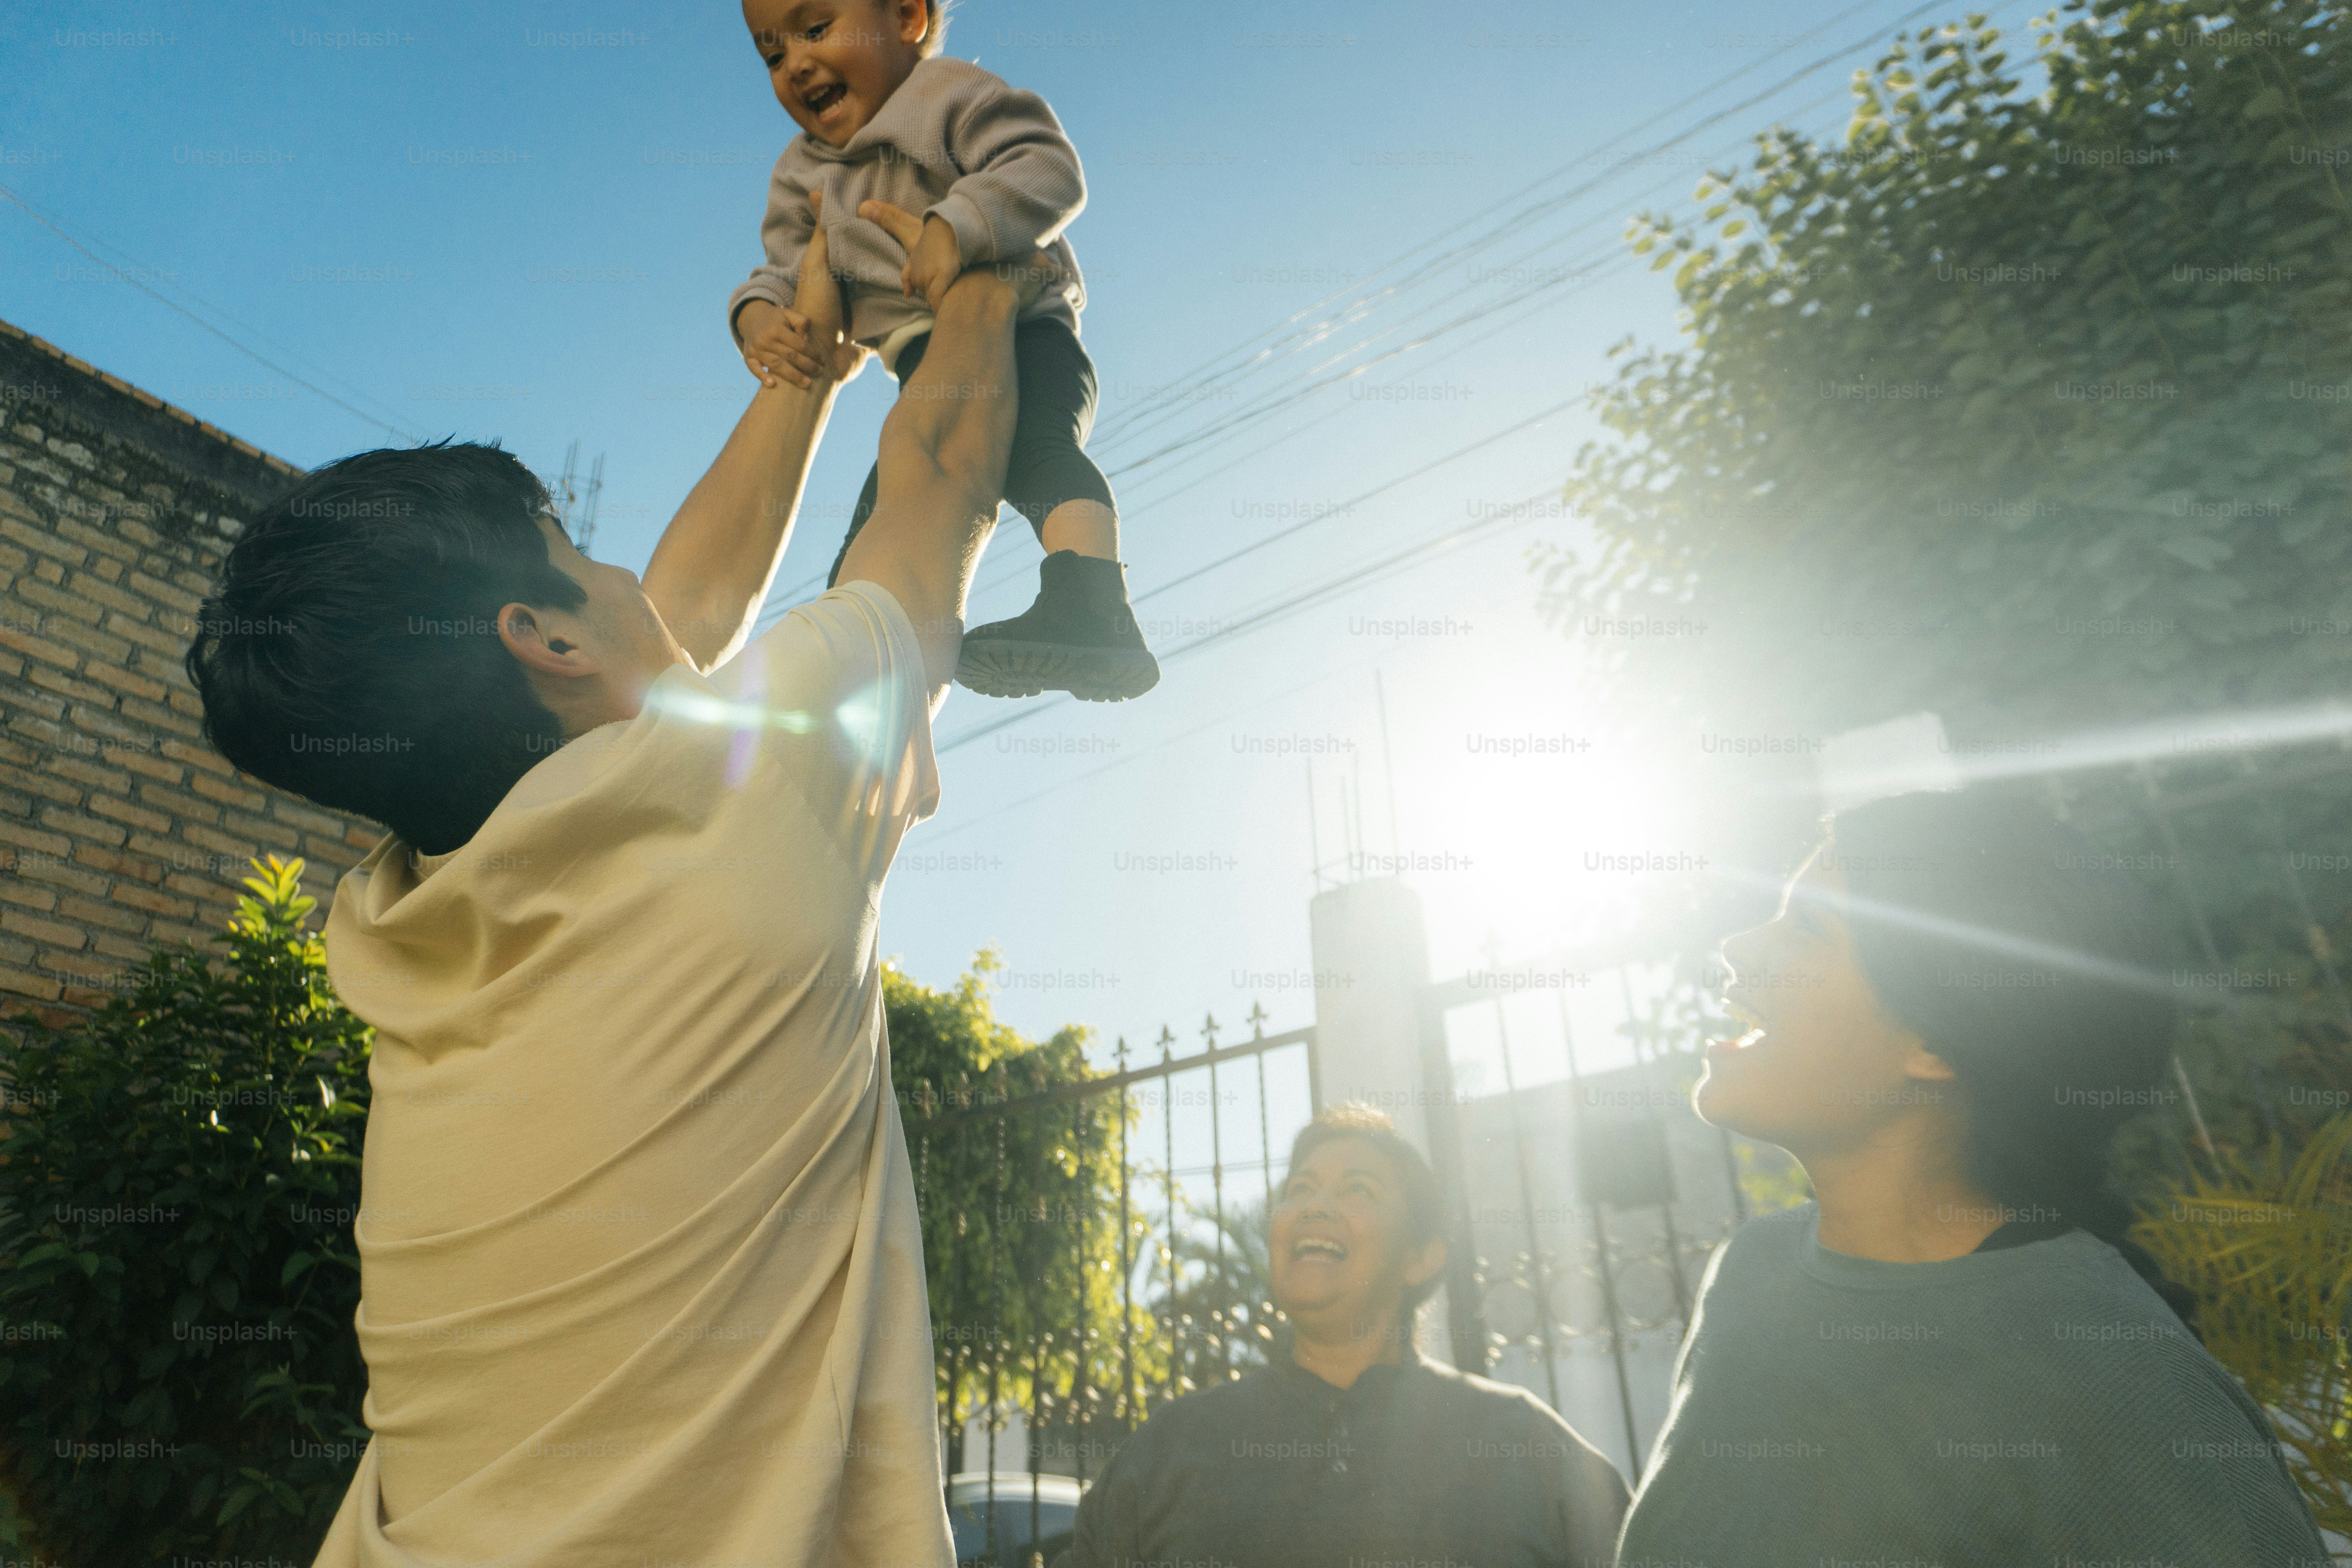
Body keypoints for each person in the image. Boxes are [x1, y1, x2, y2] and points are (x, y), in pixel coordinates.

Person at [186, 201, 1051, 1565]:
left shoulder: (407, 933)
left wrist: (803, 371)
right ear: (537, 634)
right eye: (574, 550)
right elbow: (942, 469)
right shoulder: (750, 804)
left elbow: (663, 631)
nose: (619, 569)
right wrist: (990, 274)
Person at [1616, 790, 2329, 1568]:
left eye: (1809, 927)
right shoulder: (1748, 1275)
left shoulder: (2121, 1385)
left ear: (1934, 1040)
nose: (1738, 946)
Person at [729, 0, 1159, 704]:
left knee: (1035, 449)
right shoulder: (801, 175)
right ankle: (854, 669)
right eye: (773, 54)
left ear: (906, 17)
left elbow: (1045, 166)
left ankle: (1092, 606)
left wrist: (957, 227)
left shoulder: (948, 96)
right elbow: (783, 266)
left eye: (816, 29)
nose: (796, 63)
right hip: (925, 373)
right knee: (888, 512)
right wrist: (756, 317)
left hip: (1030, 334)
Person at [1056, 1104, 1630, 1568]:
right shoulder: (1165, 1452)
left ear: (1419, 1257)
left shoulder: (1528, 1448)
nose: (1315, 1206)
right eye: (1300, 1189)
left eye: (1357, 1190)